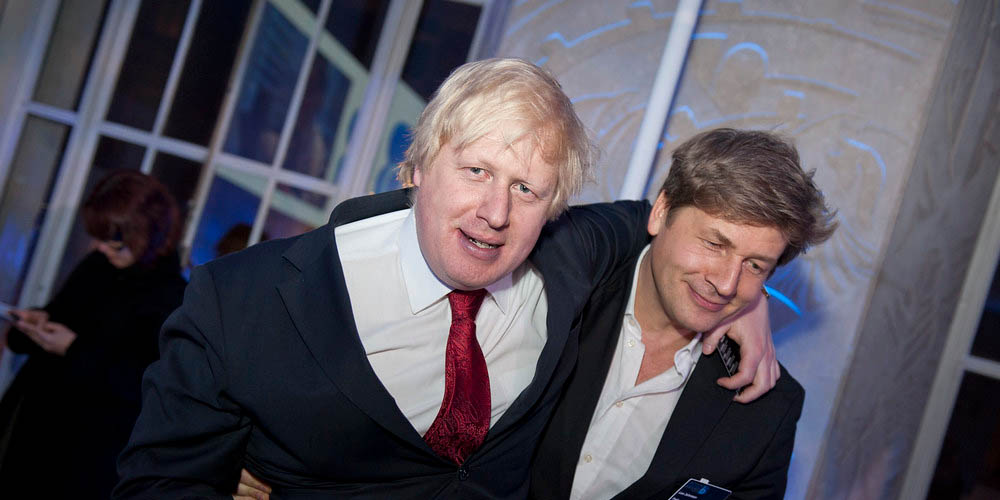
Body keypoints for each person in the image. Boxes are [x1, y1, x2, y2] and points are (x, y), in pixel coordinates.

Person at [116, 59, 777, 499]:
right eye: (476, 171)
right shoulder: (243, 300)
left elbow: (660, 224)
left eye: (527, 188)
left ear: (554, 206)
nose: (496, 212)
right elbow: (160, 483)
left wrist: (740, 298)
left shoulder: (569, 257)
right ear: (418, 165)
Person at [530, 128, 838, 500]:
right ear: (661, 212)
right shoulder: (563, 289)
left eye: (755, 265)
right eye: (714, 243)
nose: (727, 283)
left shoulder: (768, 412)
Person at [0, 170, 187, 499]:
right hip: (34, 430)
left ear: (147, 233)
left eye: (113, 240)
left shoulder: (171, 296)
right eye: (99, 237)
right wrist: (35, 324)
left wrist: (72, 348)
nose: (100, 247)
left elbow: (142, 384)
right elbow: (58, 317)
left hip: (88, 454)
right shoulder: (97, 265)